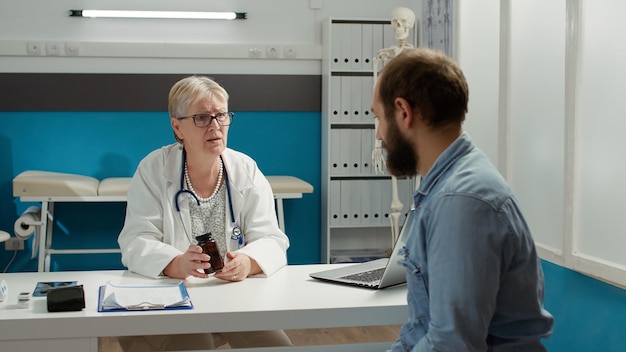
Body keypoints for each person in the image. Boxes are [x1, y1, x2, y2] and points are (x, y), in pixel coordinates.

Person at [371, 48, 554, 351]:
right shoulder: (448, 185)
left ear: (404, 112)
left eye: (378, 118)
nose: (379, 135)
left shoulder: (461, 202)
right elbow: (425, 331)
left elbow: (452, 345)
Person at [117, 75, 293, 350]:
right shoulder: (153, 169)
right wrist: (176, 263)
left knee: (277, 346)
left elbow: (272, 238)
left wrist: (247, 262)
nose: (215, 126)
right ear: (177, 127)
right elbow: (135, 241)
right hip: (168, 298)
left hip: (228, 298)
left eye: (221, 115)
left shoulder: (244, 169)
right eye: (202, 118)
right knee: (195, 343)